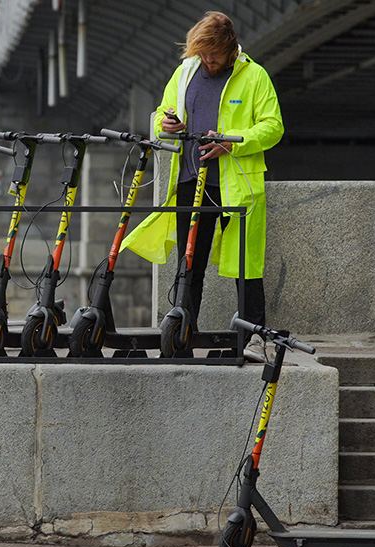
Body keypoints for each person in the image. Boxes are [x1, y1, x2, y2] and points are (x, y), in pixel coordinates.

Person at [122, 11, 284, 359]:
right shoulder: (185, 73)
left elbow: (273, 127)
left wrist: (233, 142)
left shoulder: (254, 76)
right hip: (190, 179)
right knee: (189, 261)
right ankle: (183, 330)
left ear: (229, 48)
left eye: (213, 53)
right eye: (201, 52)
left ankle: (255, 336)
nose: (207, 59)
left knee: (247, 263)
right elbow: (159, 115)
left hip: (236, 185)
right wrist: (166, 123)